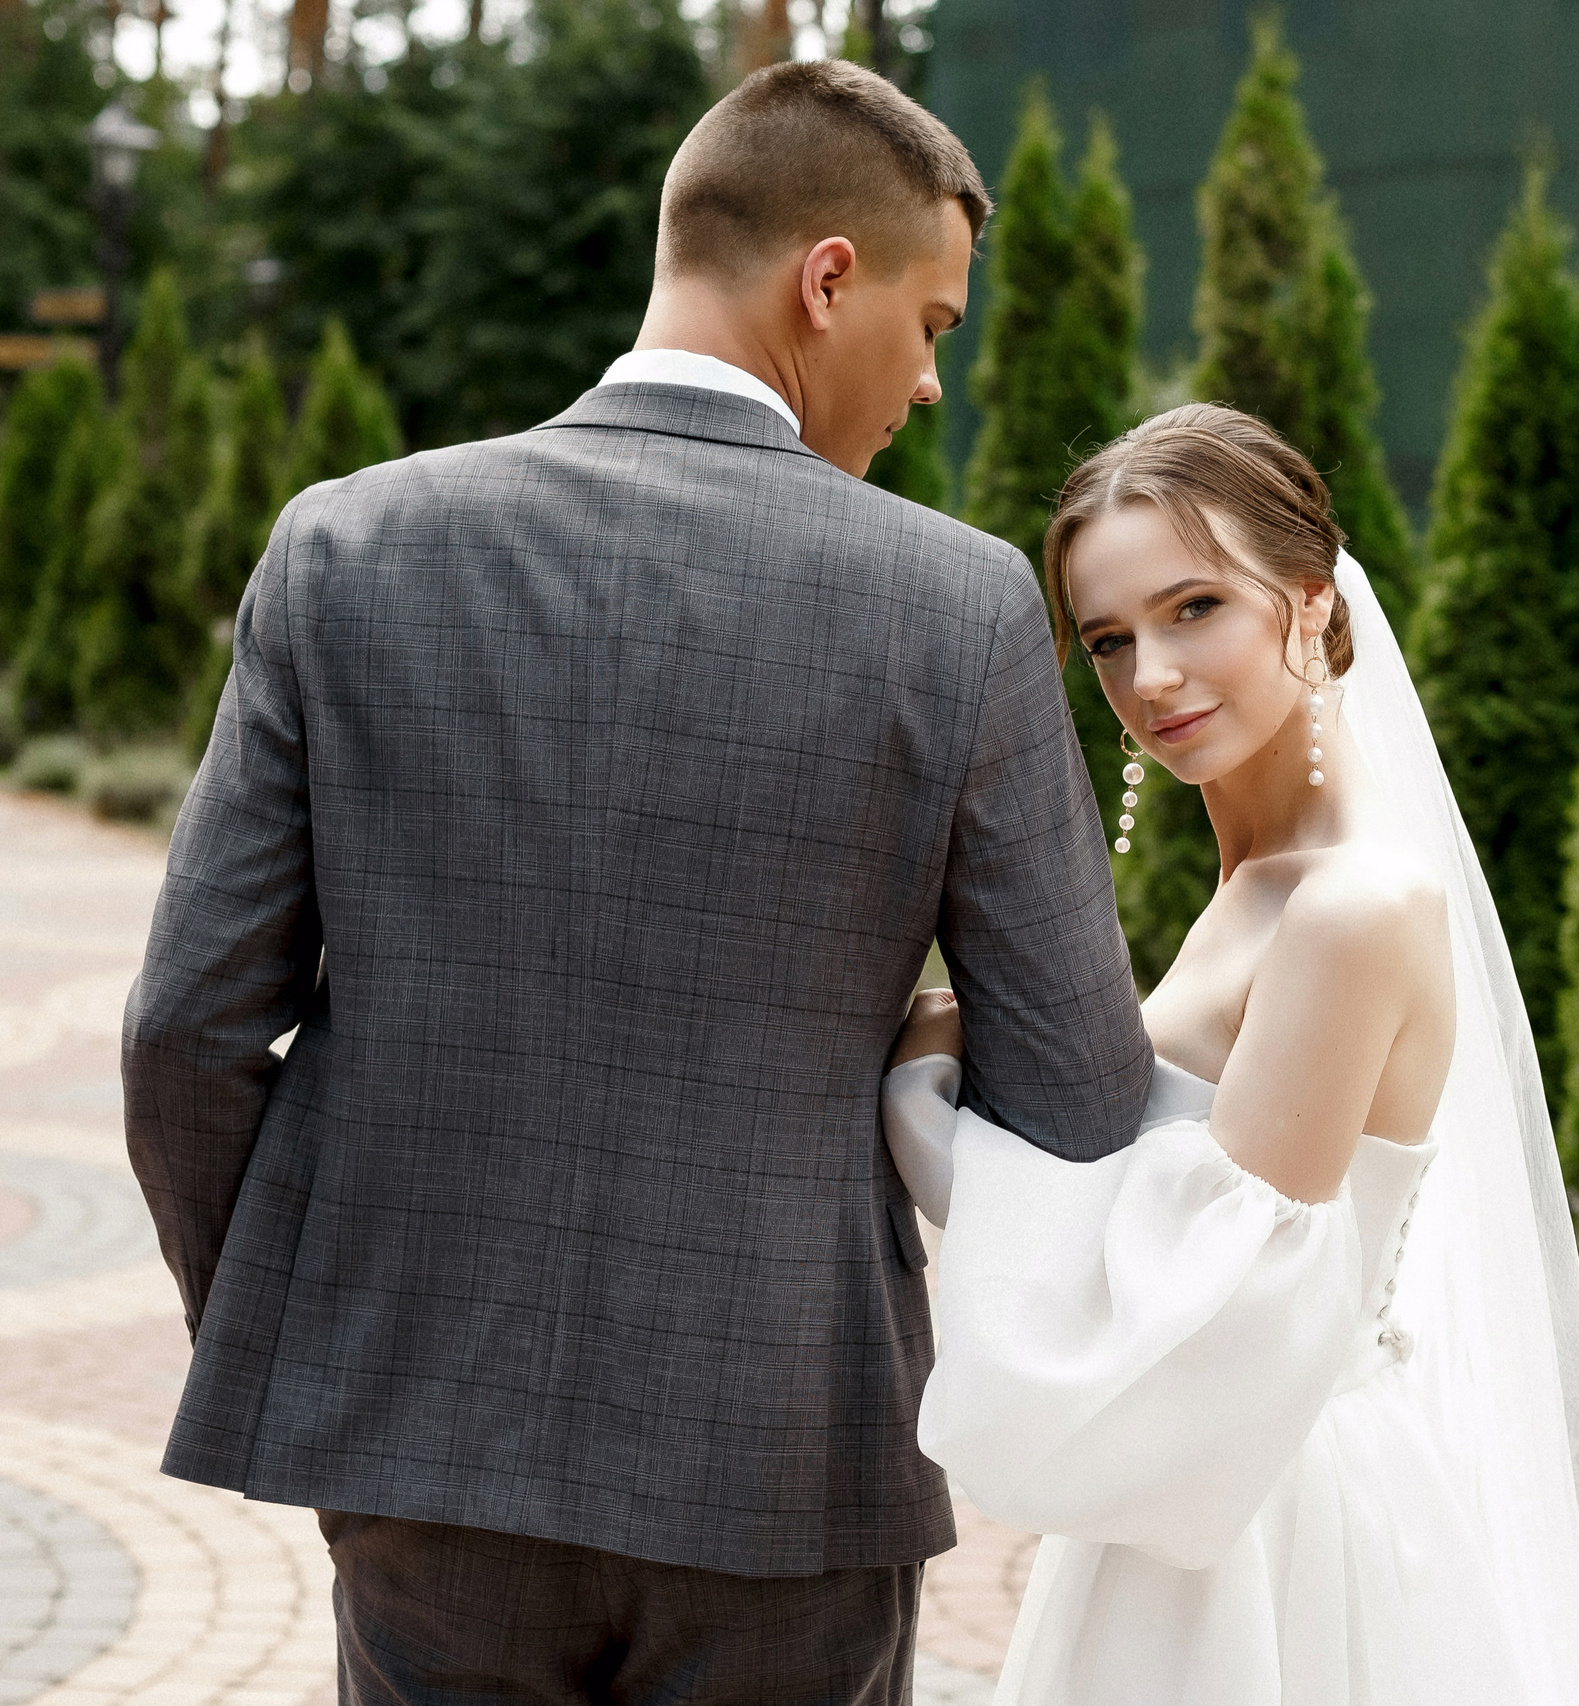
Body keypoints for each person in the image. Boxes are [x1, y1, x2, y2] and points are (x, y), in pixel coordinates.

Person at [121, 59, 1152, 1705]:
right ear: (829, 280)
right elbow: (1083, 1098)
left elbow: (185, 1033)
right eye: (936, 324)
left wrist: (320, 1333)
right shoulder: (951, 608)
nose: (933, 382)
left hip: (420, 1446)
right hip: (786, 1462)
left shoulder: (348, 546)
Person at [882, 405, 1579, 1705]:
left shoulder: (1351, 906)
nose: (1153, 678)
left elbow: (1207, 1304)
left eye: (1197, 608)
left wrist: (929, 1127)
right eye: (1113, 639)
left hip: (1265, 1532)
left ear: (1311, 606)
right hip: (1201, 1504)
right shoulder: (1257, 879)